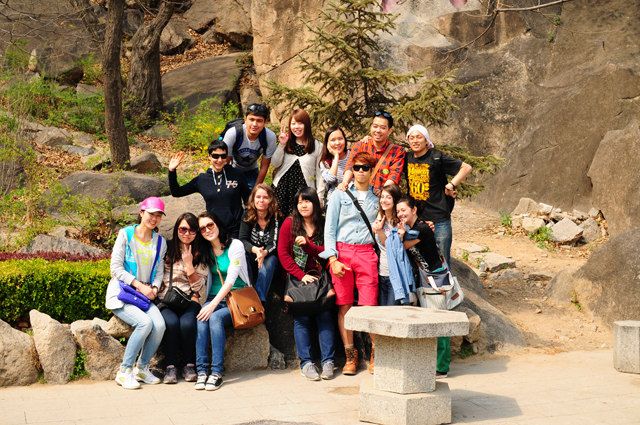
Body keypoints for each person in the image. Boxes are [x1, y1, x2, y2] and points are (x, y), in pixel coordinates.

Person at [321, 151, 379, 375]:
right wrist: (332, 258)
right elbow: (330, 228)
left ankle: (376, 353)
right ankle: (350, 356)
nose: (360, 171)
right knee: (344, 305)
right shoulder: (339, 194)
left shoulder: (378, 198)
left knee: (369, 306)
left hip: (366, 252)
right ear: (351, 170)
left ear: (372, 171)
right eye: (357, 167)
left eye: (365, 168)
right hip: (342, 252)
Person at [106, 197, 167, 390]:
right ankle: (124, 371)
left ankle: (141, 368)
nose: (154, 218)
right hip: (122, 294)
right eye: (151, 214)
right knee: (145, 323)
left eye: (158, 215)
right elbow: (115, 267)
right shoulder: (125, 235)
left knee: (160, 325)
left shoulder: (160, 242)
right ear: (141, 212)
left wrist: (155, 287)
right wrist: (140, 285)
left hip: (143, 297)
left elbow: (159, 271)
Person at [278, 187, 336, 381]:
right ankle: (306, 363)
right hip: (298, 279)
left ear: (315, 204)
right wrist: (301, 275)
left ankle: (328, 361)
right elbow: (283, 254)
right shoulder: (289, 223)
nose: (303, 205)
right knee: (301, 319)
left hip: (320, 277)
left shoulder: (324, 223)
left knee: (325, 316)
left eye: (307, 201)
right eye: (300, 202)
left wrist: (308, 246)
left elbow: (327, 251)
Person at [194, 212, 251, 391]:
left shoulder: (235, 245)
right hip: (213, 297)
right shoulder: (205, 250)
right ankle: (201, 371)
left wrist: (211, 306)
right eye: (203, 228)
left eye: (210, 225)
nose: (207, 230)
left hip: (236, 298)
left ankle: (217, 373)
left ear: (217, 224)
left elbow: (230, 280)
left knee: (215, 318)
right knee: (201, 318)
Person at [396, 196, 450, 378]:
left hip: (436, 279)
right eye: (398, 211)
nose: (400, 214)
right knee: (430, 321)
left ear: (414, 210)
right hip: (426, 279)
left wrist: (401, 234)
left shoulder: (422, 229)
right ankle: (431, 363)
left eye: (403, 210)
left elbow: (402, 246)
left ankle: (442, 367)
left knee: (440, 322)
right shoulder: (414, 228)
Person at [403, 124, 472, 268]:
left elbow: (466, 168)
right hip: (417, 220)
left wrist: (451, 184)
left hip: (439, 219)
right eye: (411, 138)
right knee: (419, 261)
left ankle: (446, 283)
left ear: (426, 140)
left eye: (419, 137)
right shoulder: (407, 158)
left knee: (442, 261)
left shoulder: (436, 157)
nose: (415, 141)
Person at [157, 213, 208, 384]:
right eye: (183, 229)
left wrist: (188, 264)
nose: (187, 233)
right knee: (171, 324)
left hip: (189, 300)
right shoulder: (166, 248)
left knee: (188, 324)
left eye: (192, 230)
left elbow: (198, 287)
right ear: (176, 229)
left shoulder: (201, 253)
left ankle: (189, 365)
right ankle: (170, 366)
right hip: (166, 299)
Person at [169, 140, 251, 238]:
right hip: (212, 230)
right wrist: (172, 171)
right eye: (215, 156)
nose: (219, 160)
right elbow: (176, 192)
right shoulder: (202, 180)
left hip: (236, 230)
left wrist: (247, 221)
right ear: (209, 156)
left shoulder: (237, 174)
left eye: (223, 156)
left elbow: (248, 199)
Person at [271, 109, 325, 218]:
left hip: (303, 195)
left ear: (307, 124)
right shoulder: (287, 141)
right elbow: (275, 164)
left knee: (300, 224)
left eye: (300, 123)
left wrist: (319, 198)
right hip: (281, 191)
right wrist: (281, 144)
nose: (296, 127)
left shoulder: (317, 146)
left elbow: (320, 175)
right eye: (293, 123)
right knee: (278, 223)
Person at [338, 111, 405, 195]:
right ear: (371, 127)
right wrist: (344, 183)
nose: (378, 130)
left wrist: (383, 191)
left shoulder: (397, 151)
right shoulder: (361, 146)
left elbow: (394, 175)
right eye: (375, 126)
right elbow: (350, 167)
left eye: (383, 128)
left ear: (389, 131)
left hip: (382, 198)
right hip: (360, 196)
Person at [239, 184, 280, 302]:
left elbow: (274, 243)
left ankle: (258, 300)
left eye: (265, 197)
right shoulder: (247, 214)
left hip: (269, 256)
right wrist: (256, 250)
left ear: (271, 200)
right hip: (253, 254)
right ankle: (251, 291)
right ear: (253, 199)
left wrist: (264, 253)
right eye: (258, 197)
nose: (261, 200)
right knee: (241, 256)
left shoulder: (276, 217)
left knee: (269, 260)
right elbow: (242, 240)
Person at [223, 103, 277, 189]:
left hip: (252, 171)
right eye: (251, 119)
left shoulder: (269, 136)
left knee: (253, 194)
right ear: (245, 120)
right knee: (231, 193)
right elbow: (225, 162)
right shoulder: (233, 133)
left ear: (265, 122)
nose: (254, 124)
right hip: (232, 169)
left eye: (259, 121)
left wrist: (255, 190)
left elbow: (264, 167)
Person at [371, 183, 403, 306]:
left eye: (388, 197)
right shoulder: (379, 218)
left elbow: (392, 247)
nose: (384, 200)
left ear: (395, 200)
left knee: (391, 313)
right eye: (382, 197)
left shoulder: (400, 222)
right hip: (381, 273)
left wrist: (379, 231)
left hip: (396, 275)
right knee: (381, 313)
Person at [320, 126, 350, 202]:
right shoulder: (326, 162)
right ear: (327, 143)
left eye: (340, 139)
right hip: (334, 201)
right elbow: (330, 179)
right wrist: (336, 156)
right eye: (333, 140)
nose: (337, 143)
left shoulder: (353, 155)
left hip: (352, 200)